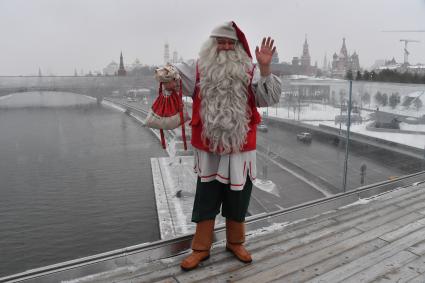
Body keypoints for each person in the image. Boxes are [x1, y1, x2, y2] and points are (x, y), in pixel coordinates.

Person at [156, 21, 281, 271]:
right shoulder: (198, 67)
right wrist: (168, 79)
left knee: (238, 196)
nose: (224, 47)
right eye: (220, 42)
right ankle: (200, 248)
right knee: (207, 196)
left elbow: (270, 98)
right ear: (212, 44)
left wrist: (266, 67)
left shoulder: (251, 70)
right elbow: (174, 78)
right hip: (209, 147)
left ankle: (235, 243)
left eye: (229, 42)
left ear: (237, 46)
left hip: (240, 147)